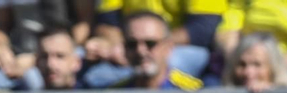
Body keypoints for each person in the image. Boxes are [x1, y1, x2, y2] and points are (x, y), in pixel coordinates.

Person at [89, 0, 224, 63]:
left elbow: (202, 29)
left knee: (171, 62)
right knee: (82, 58)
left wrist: (154, 45)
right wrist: (119, 48)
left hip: (180, 47)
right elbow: (106, 22)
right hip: (130, 44)